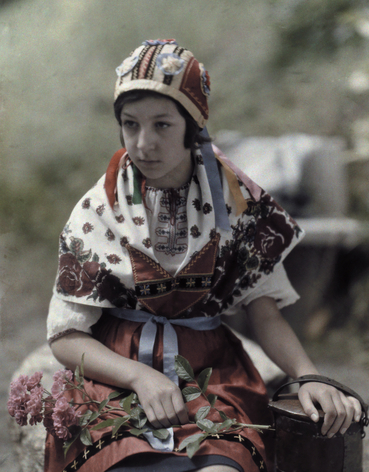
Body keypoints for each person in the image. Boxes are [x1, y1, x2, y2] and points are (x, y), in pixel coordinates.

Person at [45, 39, 362, 472]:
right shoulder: (100, 208)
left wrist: (307, 377)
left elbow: (264, 312)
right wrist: (141, 377)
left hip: (211, 378)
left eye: (162, 125)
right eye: (130, 124)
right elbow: (65, 337)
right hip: (116, 383)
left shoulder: (234, 201)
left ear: (193, 125)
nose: (144, 143)